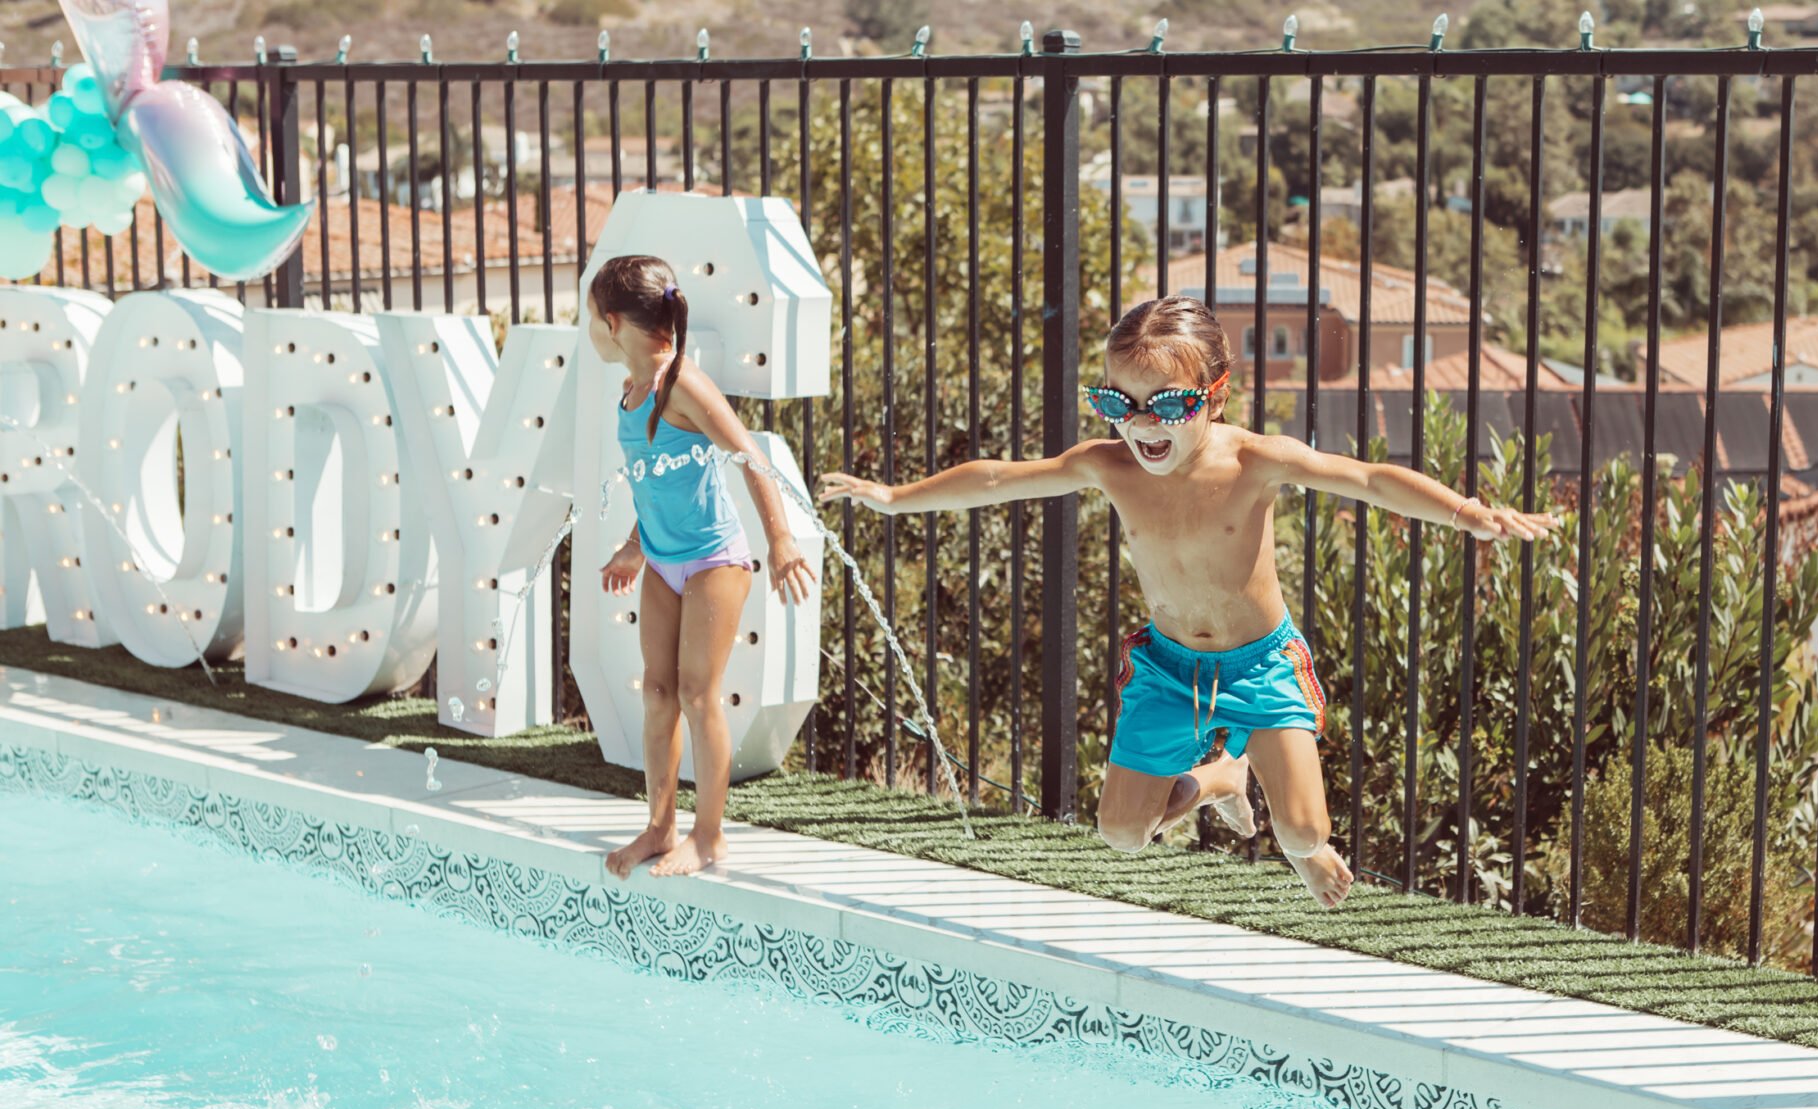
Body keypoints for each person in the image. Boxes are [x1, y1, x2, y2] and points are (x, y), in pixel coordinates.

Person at [817, 296, 1556, 908]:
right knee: (1121, 834)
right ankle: (1219, 778)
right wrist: (892, 497)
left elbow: (1365, 479)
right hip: (1168, 669)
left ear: (1217, 394)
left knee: (1303, 836)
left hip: (1262, 666)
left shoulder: (1254, 460)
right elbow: (997, 479)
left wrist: (1466, 513)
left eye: (1166, 403)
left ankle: (1241, 778)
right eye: (1119, 402)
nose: (1141, 424)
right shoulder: (1108, 467)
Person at [588, 255, 817, 880]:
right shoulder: (632, 389)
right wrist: (637, 544)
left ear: (611, 323)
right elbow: (655, 478)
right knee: (657, 693)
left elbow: (749, 457)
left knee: (696, 693)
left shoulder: (681, 381)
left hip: (716, 559)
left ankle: (709, 836)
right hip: (663, 563)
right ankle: (659, 827)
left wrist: (782, 543)